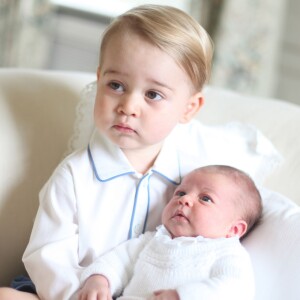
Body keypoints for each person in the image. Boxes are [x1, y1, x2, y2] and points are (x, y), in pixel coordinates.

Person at [0, 4, 277, 300]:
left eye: (153, 94)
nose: (128, 107)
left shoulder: (192, 179)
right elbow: (48, 256)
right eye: (116, 85)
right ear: (98, 80)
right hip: (67, 292)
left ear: (188, 108)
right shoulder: (76, 175)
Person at [78, 165, 262, 300]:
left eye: (205, 198)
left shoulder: (226, 252)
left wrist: (182, 296)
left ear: (234, 229)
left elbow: (236, 289)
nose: (185, 200)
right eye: (181, 193)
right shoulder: (153, 240)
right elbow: (117, 261)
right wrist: (99, 279)